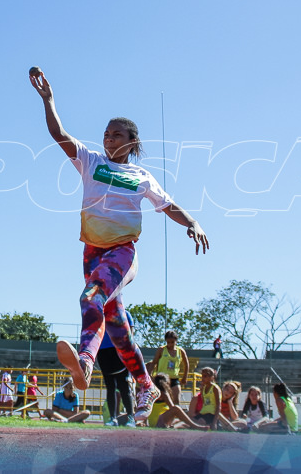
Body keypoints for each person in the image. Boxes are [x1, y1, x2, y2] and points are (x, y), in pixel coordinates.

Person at [30, 70, 209, 422]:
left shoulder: (142, 177)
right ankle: (145, 384)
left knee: (90, 298)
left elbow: (168, 205)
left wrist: (192, 223)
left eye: (117, 134)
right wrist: (49, 101)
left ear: (132, 141)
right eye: (106, 134)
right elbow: (58, 134)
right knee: (117, 328)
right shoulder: (91, 161)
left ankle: (84, 361)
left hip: (122, 253)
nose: (109, 139)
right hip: (92, 251)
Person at [99, 310, 136, 426]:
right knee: (110, 387)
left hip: (120, 349)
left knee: (123, 386)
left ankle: (131, 417)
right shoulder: (101, 314)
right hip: (104, 350)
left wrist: (128, 349)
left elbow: (131, 331)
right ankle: (112, 418)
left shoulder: (125, 313)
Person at [148, 330, 190, 407]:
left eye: (172, 342)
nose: (170, 344)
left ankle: (174, 416)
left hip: (174, 378)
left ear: (176, 341)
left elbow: (186, 364)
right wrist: (150, 374)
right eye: (168, 342)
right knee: (161, 399)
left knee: (176, 399)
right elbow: (154, 362)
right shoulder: (161, 350)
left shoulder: (180, 351)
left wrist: (185, 377)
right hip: (162, 379)